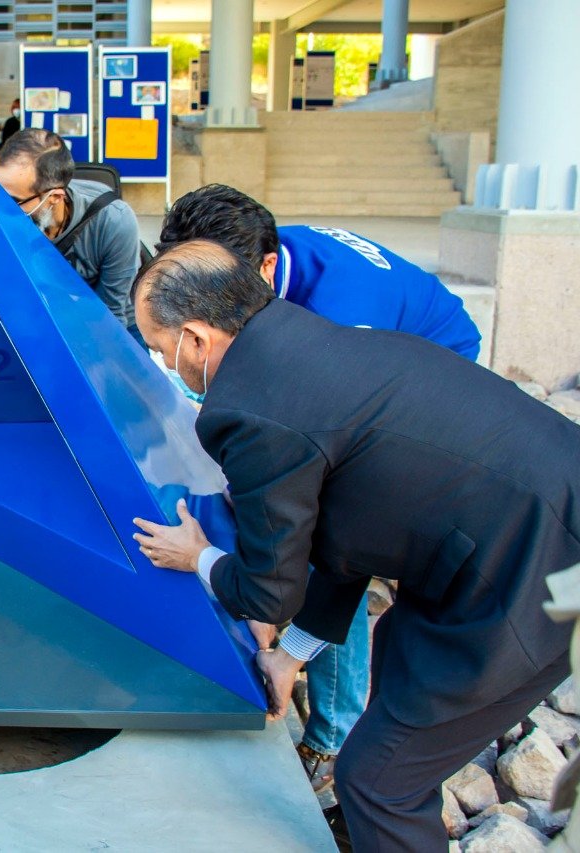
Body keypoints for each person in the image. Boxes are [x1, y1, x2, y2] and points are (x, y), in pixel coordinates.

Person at [130, 240, 577, 852]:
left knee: (379, 781)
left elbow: (269, 588)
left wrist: (197, 556)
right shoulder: (319, 343)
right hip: (521, 516)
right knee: (400, 669)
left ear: (199, 339)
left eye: (161, 349)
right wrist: (288, 656)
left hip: (532, 566)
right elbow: (347, 534)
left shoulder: (249, 412)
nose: (164, 363)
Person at [155, 183, 483, 808]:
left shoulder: (337, 321)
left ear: (265, 270)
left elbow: (315, 486)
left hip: (438, 366)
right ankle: (296, 642)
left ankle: (333, 734)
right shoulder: (255, 265)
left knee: (341, 537)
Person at [0, 128, 141, 336]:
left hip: (111, 322)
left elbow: (111, 315)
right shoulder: (6, 216)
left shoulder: (113, 220)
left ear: (54, 197)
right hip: (51, 313)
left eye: (12, 201)